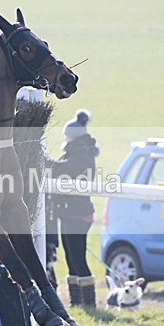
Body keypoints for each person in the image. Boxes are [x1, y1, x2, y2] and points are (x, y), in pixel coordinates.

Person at [46, 109, 100, 307]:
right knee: (71, 258)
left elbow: (62, 169)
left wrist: (45, 161)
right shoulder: (80, 153)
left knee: (78, 259)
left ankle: (88, 302)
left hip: (77, 214)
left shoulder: (80, 156)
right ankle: (77, 302)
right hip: (69, 213)